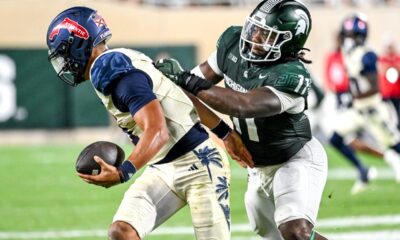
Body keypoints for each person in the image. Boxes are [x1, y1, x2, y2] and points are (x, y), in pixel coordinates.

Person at [46, 6, 253, 240]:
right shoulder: (123, 57)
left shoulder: (109, 71)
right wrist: (224, 132)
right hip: (163, 166)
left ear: (79, 45)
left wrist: (123, 172)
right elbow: (180, 96)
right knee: (122, 232)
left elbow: (158, 131)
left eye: (64, 52)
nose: (64, 61)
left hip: (200, 166)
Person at [156, 0, 328, 239]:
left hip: (293, 159)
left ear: (289, 42)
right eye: (255, 29)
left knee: (296, 232)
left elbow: (243, 104)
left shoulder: (291, 75)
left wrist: (185, 79)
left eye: (267, 35)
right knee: (271, 233)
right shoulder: (233, 43)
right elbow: (190, 88)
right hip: (257, 168)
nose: (255, 37)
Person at [328, 13, 400, 194]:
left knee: (394, 145)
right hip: (358, 110)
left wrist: (354, 95)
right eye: (347, 35)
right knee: (335, 138)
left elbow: (374, 86)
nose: (348, 39)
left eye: (351, 35)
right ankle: (363, 171)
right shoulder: (347, 52)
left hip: (374, 109)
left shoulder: (367, 55)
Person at [378, 35, 400, 130]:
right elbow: (383, 69)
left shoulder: (397, 58)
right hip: (386, 94)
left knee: (397, 117)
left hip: (397, 93)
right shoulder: (382, 59)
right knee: (387, 117)